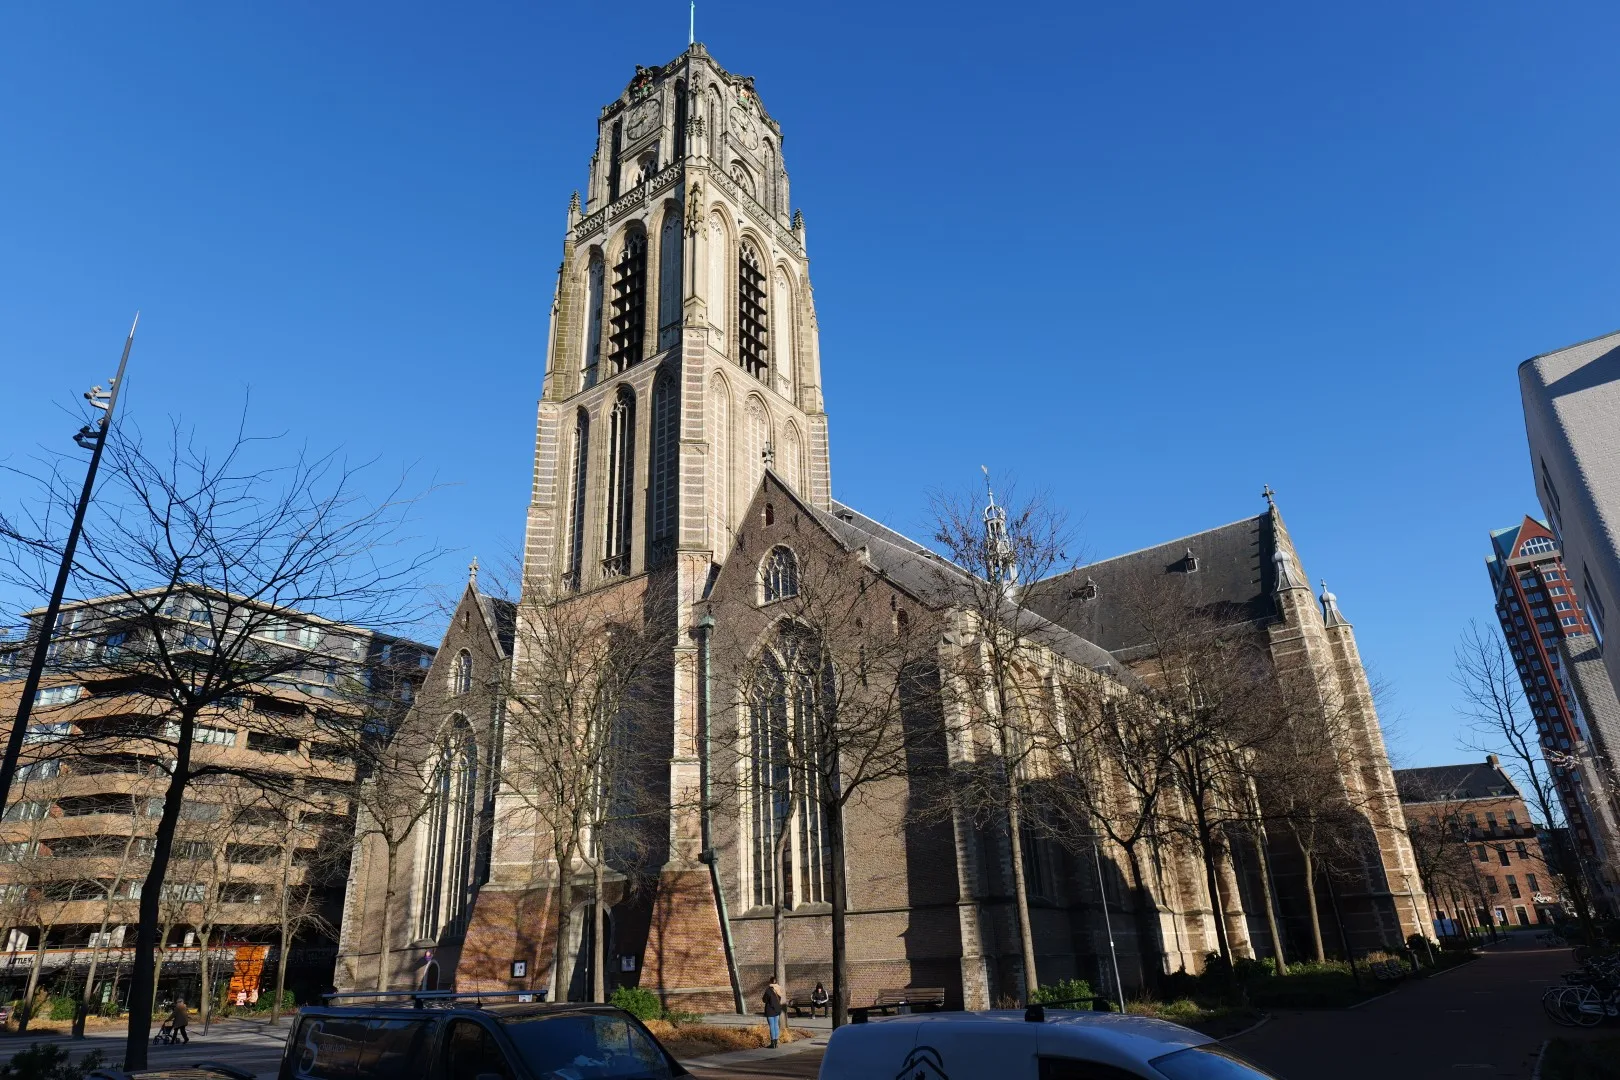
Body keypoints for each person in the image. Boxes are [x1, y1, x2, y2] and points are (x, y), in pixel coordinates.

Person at [762, 981, 784, 1049]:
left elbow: (764, 1000)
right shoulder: (779, 990)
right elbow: (780, 998)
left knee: (772, 1026)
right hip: (777, 1010)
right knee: (776, 1026)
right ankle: (776, 1043)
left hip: (770, 1010)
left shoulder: (768, 990)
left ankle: (772, 1043)